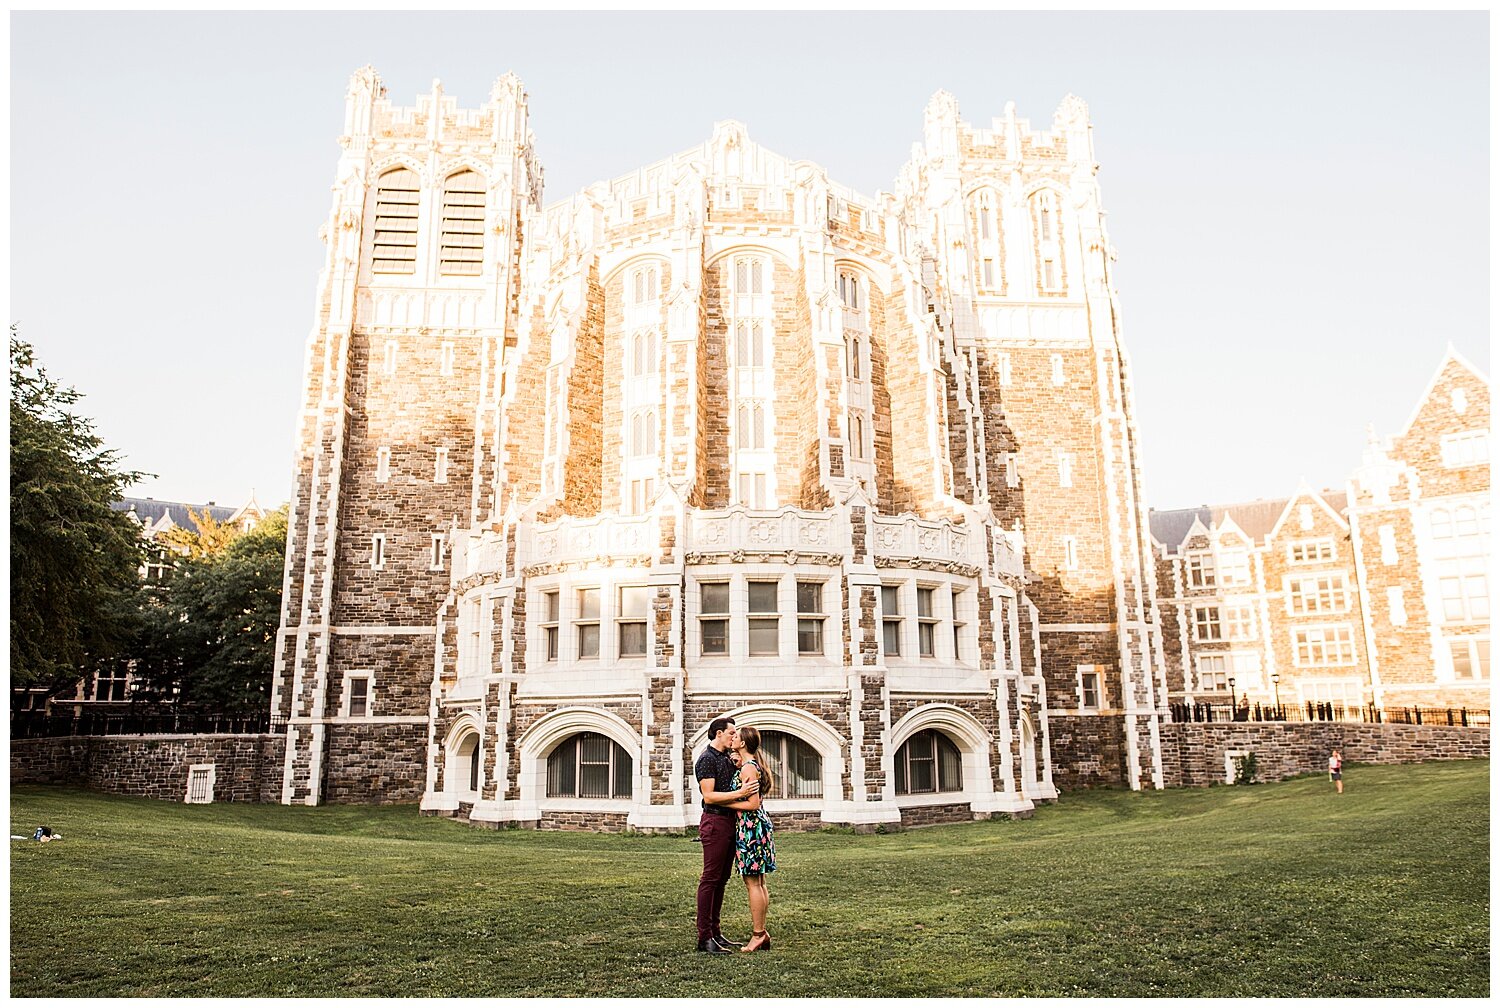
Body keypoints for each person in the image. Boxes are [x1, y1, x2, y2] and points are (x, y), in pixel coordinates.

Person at [693, 716, 758, 954]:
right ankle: (704, 938)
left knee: (721, 879)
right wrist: (741, 792)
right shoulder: (706, 759)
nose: (734, 737)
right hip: (715, 822)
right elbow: (709, 796)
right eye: (731, 733)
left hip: (731, 822)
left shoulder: (728, 758)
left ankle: (716, 933)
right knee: (710, 879)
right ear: (718, 733)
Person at [723, 725, 777, 953]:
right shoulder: (749, 765)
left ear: (743, 743)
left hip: (751, 828)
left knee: (753, 883)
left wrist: (723, 803)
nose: (732, 738)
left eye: (735, 736)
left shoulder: (748, 768)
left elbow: (752, 804)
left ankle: (757, 934)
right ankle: (762, 933)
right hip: (756, 827)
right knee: (759, 882)